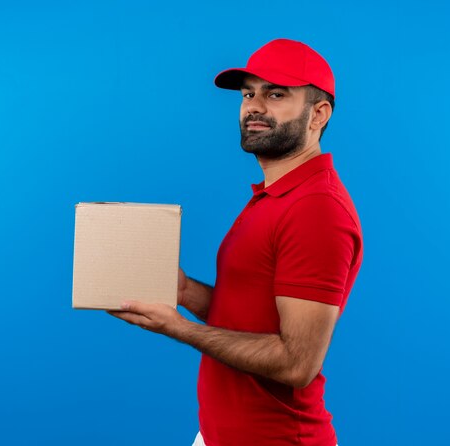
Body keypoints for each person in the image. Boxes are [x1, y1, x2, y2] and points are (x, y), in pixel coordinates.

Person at [108, 38, 363, 446]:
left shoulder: (317, 209)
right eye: (249, 93)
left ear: (318, 115)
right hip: (220, 433)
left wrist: (180, 329)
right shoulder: (275, 194)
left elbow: (297, 363)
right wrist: (185, 291)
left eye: (276, 94)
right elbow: (251, 320)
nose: (254, 106)